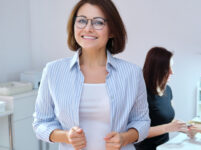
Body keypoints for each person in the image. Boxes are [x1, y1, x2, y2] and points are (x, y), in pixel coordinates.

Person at [32, 0, 150, 150]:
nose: (88, 28)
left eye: (98, 22)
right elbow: (41, 123)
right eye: (81, 21)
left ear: (112, 30)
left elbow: (142, 121)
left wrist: (125, 138)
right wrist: (66, 136)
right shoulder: (53, 71)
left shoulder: (132, 73)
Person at [134, 47, 187, 150]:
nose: (172, 72)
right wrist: (168, 128)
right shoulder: (140, 94)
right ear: (156, 69)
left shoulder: (168, 90)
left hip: (164, 146)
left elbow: (167, 119)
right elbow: (136, 132)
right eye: (168, 68)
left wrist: (185, 127)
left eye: (172, 67)